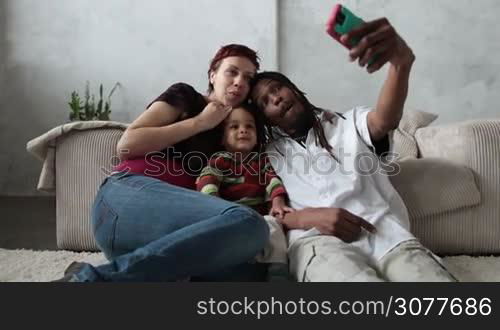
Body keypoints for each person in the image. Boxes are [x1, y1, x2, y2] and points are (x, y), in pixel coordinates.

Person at [250, 18, 457, 282]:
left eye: (277, 89)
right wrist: (307, 217)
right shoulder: (267, 154)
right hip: (318, 244)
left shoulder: (350, 123)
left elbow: (384, 119)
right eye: (266, 101)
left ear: (293, 89)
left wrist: (400, 64)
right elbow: (264, 212)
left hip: (386, 237)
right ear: (267, 119)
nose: (276, 98)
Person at [56, 44, 270, 282]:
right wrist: (200, 122)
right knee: (250, 223)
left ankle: (118, 274)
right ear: (213, 75)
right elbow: (127, 145)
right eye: (232, 72)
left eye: (248, 78)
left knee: (251, 272)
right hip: (126, 198)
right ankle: (87, 280)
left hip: (168, 237)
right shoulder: (186, 97)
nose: (240, 82)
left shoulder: (237, 133)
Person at [195, 104, 293, 219]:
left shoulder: (262, 161)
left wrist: (278, 203)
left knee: (274, 227)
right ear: (222, 138)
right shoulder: (219, 160)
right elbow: (207, 182)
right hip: (227, 213)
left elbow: (273, 181)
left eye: (249, 126)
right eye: (234, 127)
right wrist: (217, 208)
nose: (243, 130)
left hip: (260, 218)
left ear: (257, 138)